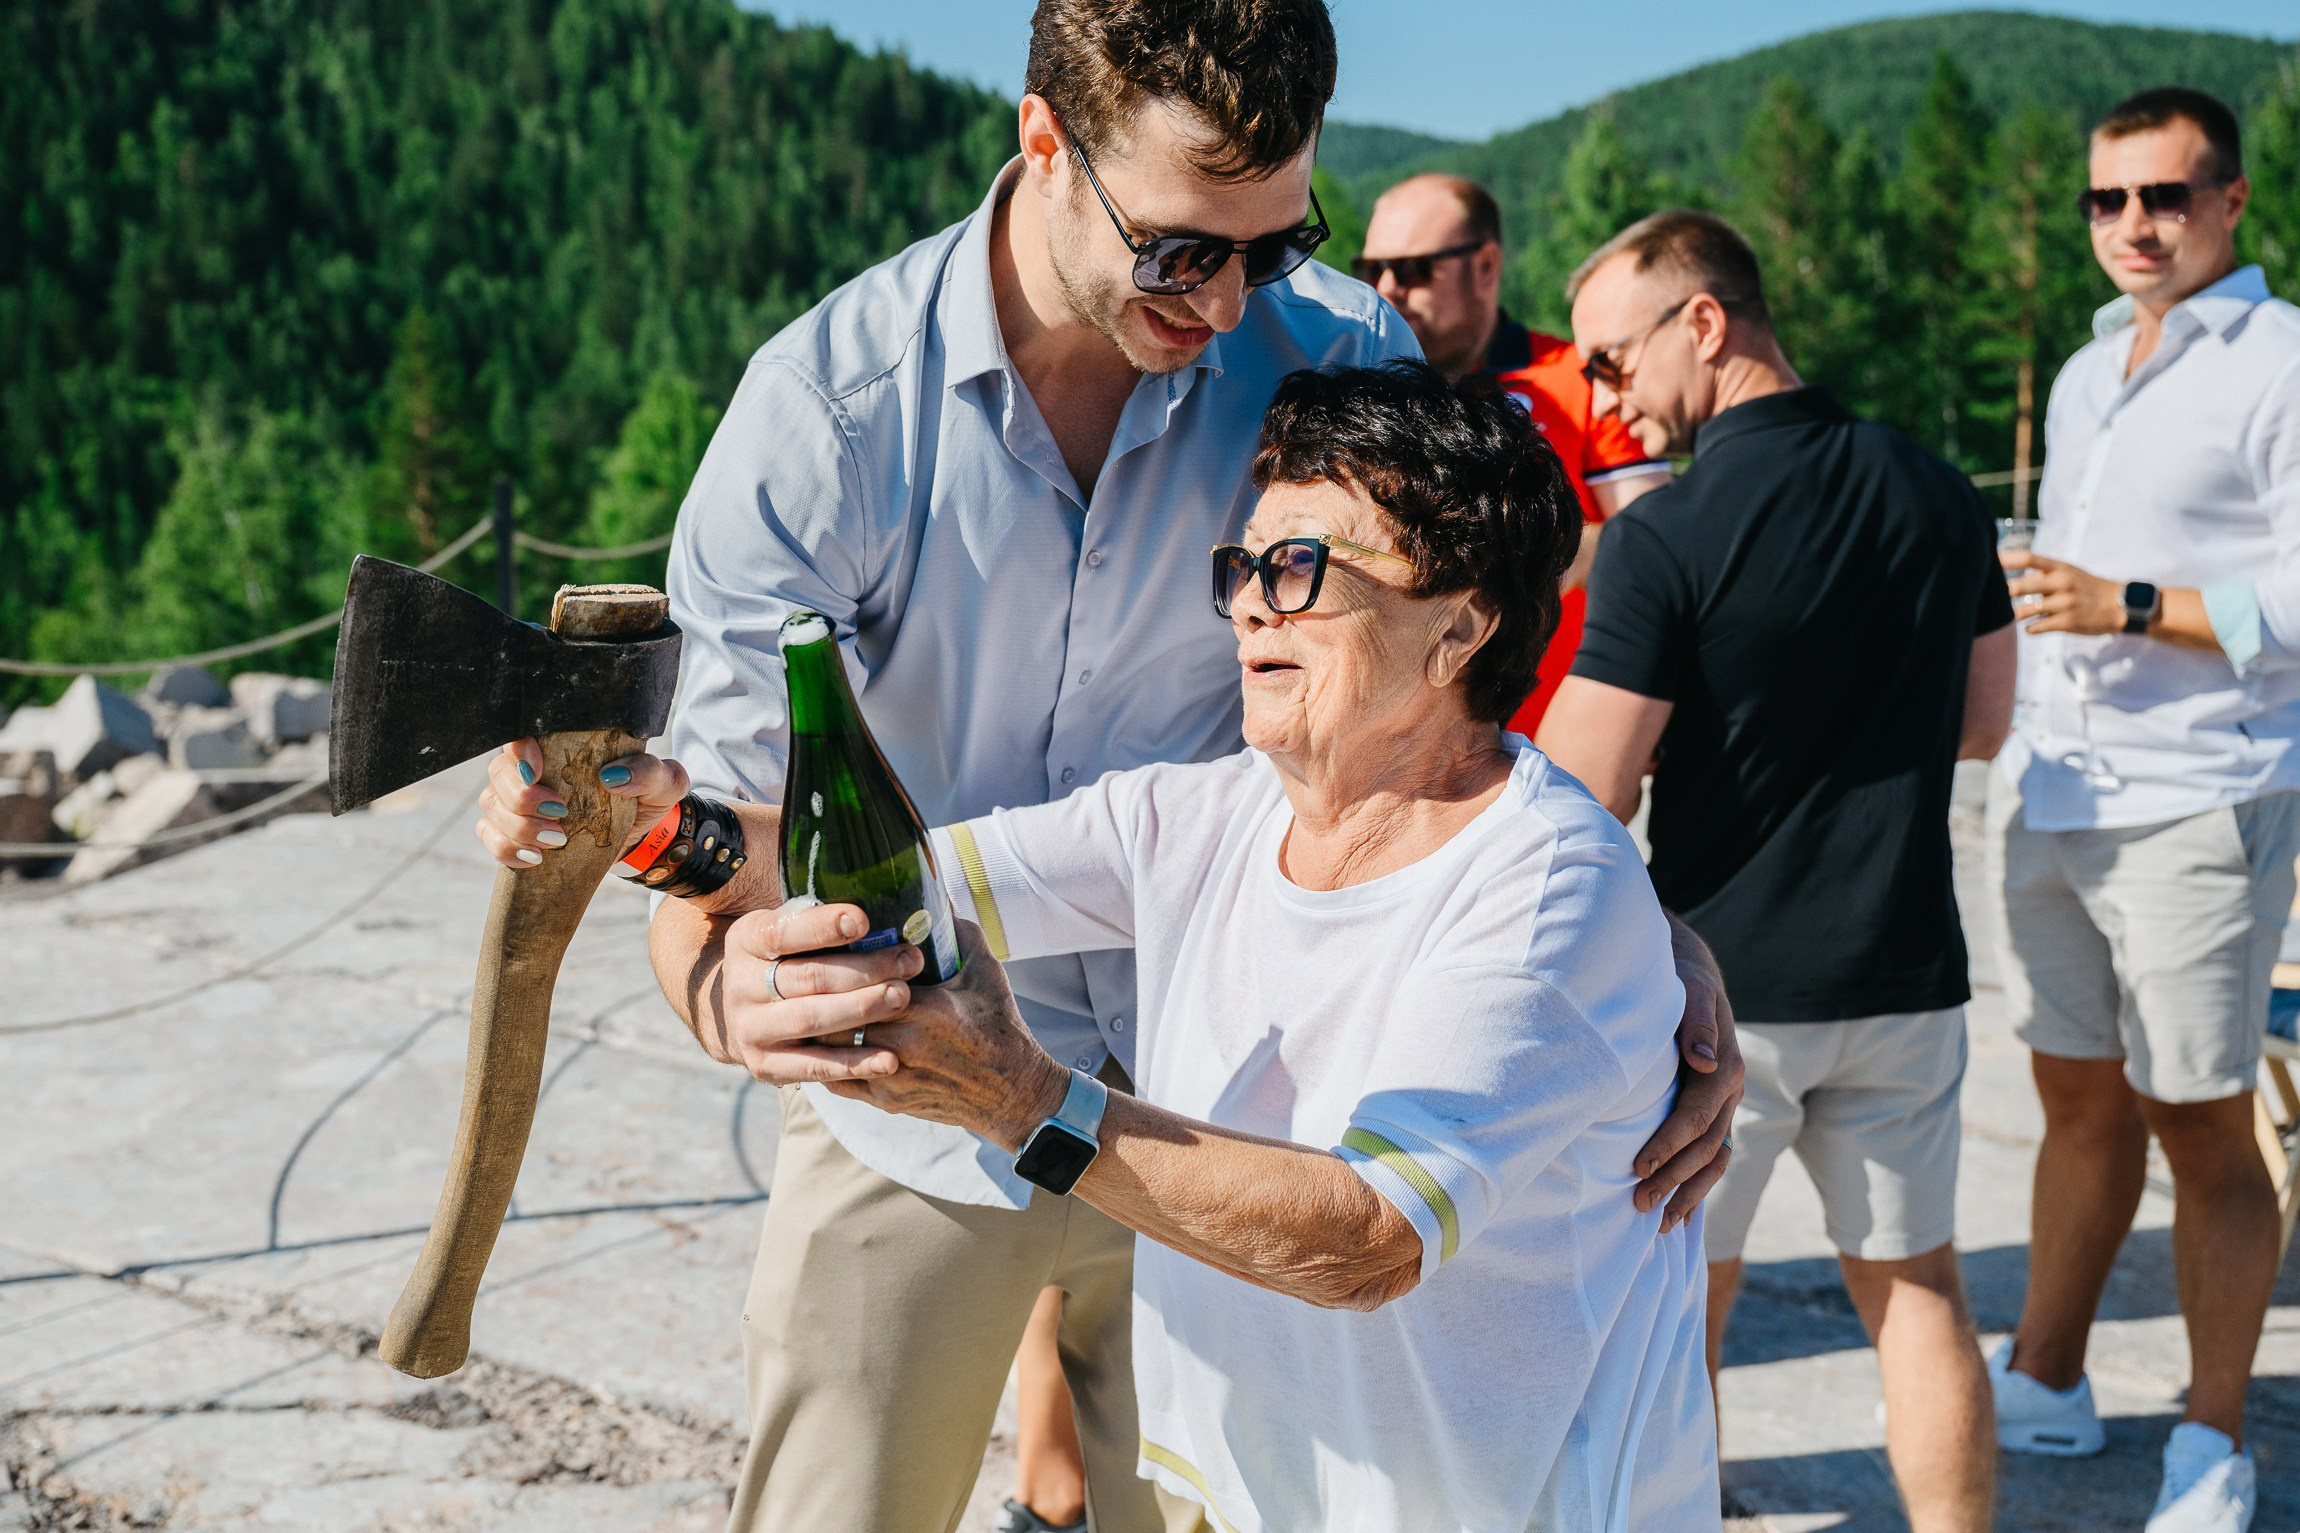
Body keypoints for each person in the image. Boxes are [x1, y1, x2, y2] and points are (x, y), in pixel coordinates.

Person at [471, 5, 1744, 1530]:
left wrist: (1622, 942)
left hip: (1256, 1106)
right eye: (1180, 251)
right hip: (920, 1100)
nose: (1225, 301)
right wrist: (712, 976)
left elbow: (1432, 689)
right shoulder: (823, 424)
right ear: (1043, 145)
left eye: (1273, 245)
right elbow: (741, 842)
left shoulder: (1336, 351)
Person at [684, 360, 1721, 1531]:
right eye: (1243, 568)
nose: (1249, 606)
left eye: (1301, 569)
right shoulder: (1216, 814)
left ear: (1457, 629)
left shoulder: (1542, 894)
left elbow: (1369, 1242)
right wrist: (652, 820)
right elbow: (900, 867)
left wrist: (1024, 1099)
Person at [1537, 209, 2015, 1533]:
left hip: (1716, 1005)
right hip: (1910, 973)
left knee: (1679, 1309)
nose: (1606, 398)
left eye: (1615, 361)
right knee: (1919, 1292)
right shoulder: (1937, 489)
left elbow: (1587, 787)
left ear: (1706, 319)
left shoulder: (1666, 537)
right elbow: (1985, 722)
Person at [1985, 86, 2298, 1533]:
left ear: (2232, 202)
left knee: (2203, 1120)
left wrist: (2130, 606)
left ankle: (2214, 1440)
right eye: (2109, 200)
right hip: (2061, 786)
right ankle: (2046, 1379)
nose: (2133, 226)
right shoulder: (2084, 368)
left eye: (2164, 198)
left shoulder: (2285, 360)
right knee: (2074, 1097)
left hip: (2200, 796)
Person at [1356, 172, 1669, 732]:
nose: (1385, 289)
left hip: (1558, 747)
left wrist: (1545, 555)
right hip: (1397, 748)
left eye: (1413, 270)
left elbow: (1660, 541)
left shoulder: (1583, 381)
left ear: (1485, 266)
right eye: (1369, 270)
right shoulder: (1363, 394)